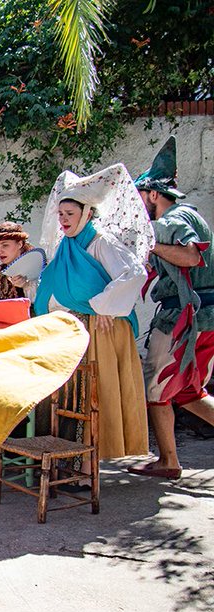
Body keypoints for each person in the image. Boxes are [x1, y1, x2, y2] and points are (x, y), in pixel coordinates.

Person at [23, 165, 152, 461]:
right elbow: (54, 287)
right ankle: (76, 463)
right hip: (76, 330)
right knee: (74, 399)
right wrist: (28, 284)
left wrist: (104, 305)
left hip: (100, 329)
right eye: (60, 214)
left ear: (87, 214)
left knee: (96, 396)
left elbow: (134, 274)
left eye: (70, 213)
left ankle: (89, 465)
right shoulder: (65, 247)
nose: (63, 219)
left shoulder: (101, 242)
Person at [129, 135, 214, 480]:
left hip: (183, 318)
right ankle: (167, 460)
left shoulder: (169, 221)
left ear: (153, 194)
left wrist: (151, 245)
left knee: (156, 388)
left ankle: (168, 461)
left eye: (141, 196)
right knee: (190, 393)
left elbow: (191, 256)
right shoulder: (191, 214)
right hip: (204, 317)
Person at [0, 222, 44, 300]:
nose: (0, 251)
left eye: (5, 245)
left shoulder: (39, 268)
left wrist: (26, 286)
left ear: (19, 244)